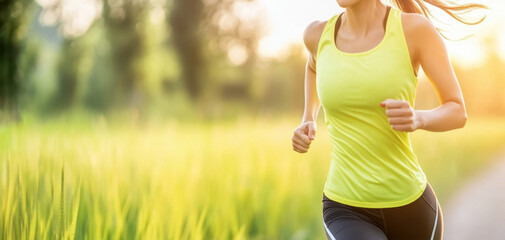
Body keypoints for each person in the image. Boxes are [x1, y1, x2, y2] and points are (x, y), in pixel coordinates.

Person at [291, 0, 486, 239]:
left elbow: (457, 110)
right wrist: (308, 117)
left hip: (412, 206)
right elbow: (313, 66)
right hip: (345, 207)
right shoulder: (316, 35)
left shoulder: (415, 30)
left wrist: (418, 118)